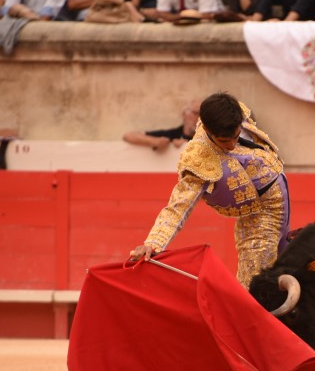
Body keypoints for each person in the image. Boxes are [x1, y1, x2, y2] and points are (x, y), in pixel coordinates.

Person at [129, 92, 290, 290]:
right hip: (258, 215)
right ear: (207, 129)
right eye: (224, 141)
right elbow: (178, 207)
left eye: (235, 137)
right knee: (254, 286)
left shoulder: (234, 113)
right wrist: (153, 243)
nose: (231, 145)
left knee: (289, 262)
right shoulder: (199, 158)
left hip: (280, 195)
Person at [123, 100, 201, 152]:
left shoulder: (207, 136)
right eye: (195, 113)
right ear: (184, 114)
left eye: (202, 115)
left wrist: (187, 144)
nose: (199, 118)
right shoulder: (173, 134)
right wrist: (155, 141)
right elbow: (128, 136)